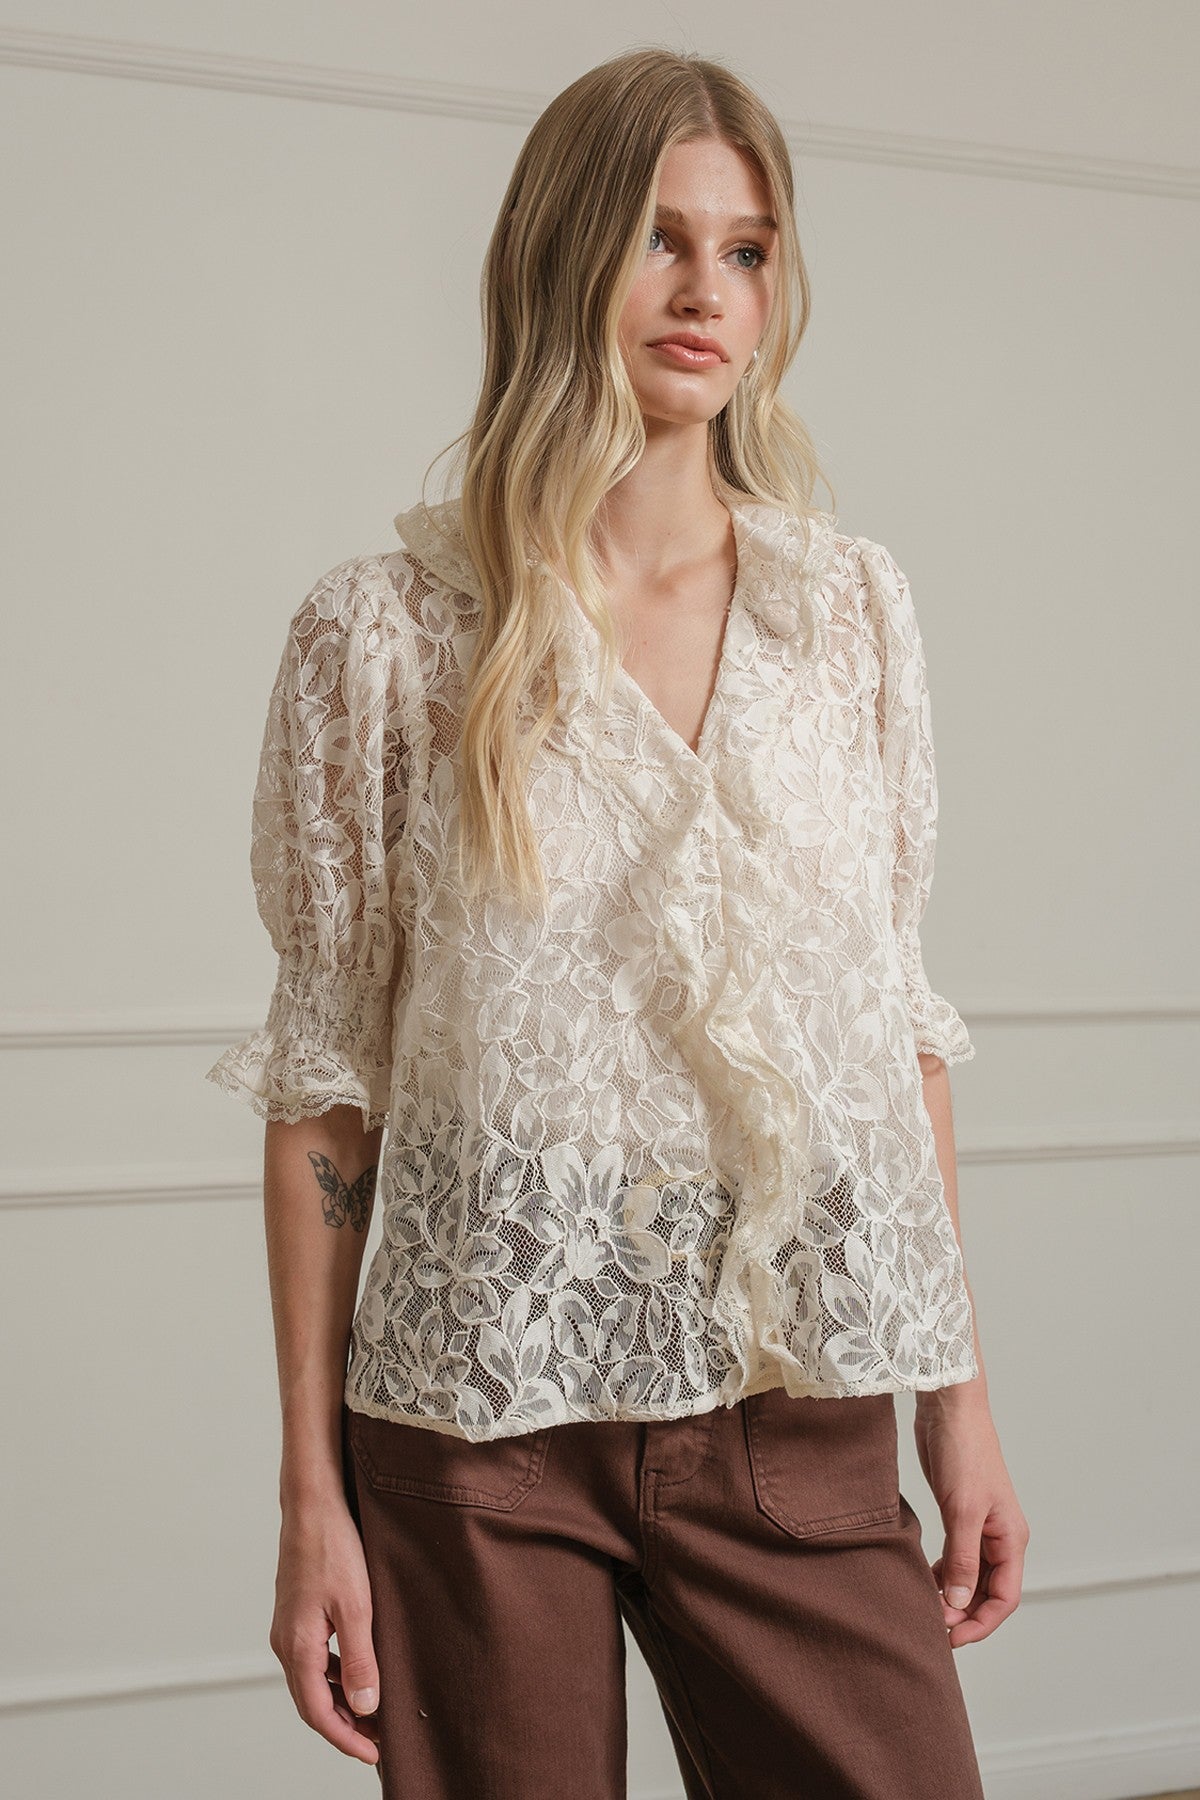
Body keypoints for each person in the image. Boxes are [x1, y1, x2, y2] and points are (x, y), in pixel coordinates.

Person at [206, 44, 1028, 1800]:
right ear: (564, 254)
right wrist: (309, 1498)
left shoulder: (845, 616)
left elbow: (893, 1036)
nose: (706, 291)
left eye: (747, 249)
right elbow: (327, 1095)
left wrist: (959, 1407)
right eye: (661, 238)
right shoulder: (390, 638)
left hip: (794, 1401)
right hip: (477, 1425)